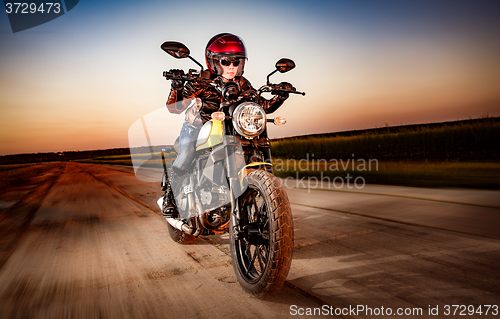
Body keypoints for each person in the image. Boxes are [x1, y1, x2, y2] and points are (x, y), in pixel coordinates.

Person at [162, 33, 293, 217]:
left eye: (236, 62)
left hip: (229, 128)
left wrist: (281, 96)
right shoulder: (201, 81)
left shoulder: (242, 83)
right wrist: (176, 86)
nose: (231, 67)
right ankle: (170, 195)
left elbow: (263, 106)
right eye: (226, 61)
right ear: (213, 61)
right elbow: (175, 108)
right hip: (198, 126)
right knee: (187, 153)